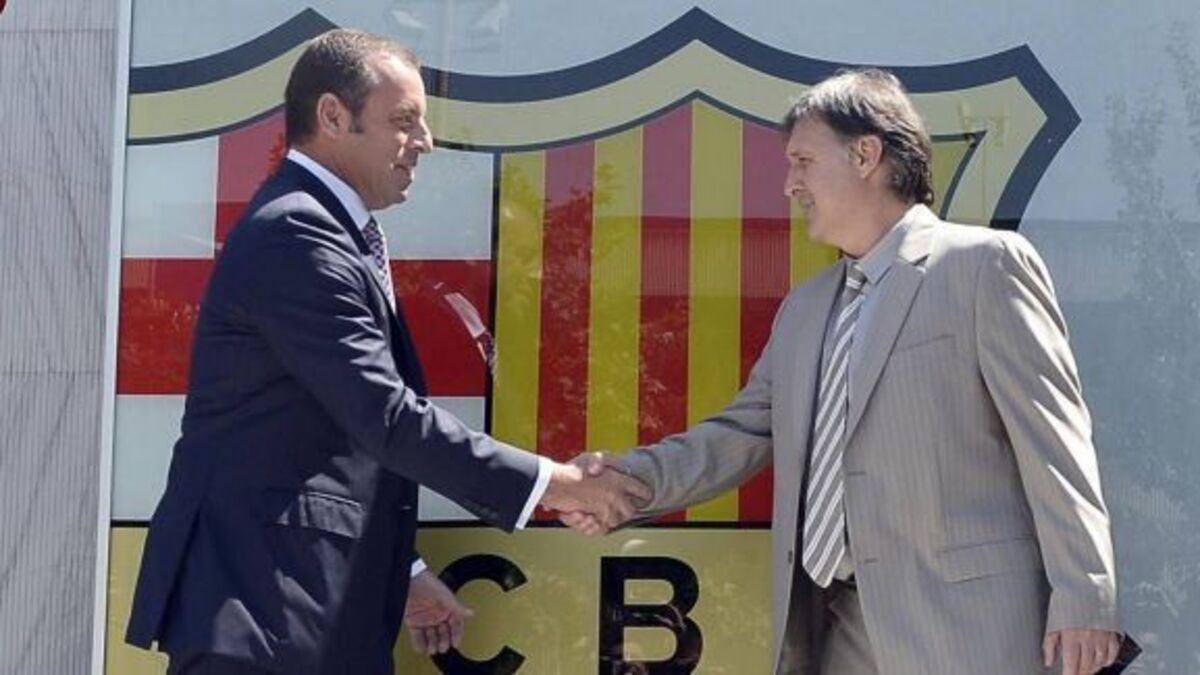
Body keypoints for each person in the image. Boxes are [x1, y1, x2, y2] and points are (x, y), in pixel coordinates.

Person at [125, 29, 649, 675]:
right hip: (262, 614)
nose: (424, 141)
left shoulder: (323, 228)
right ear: (332, 115)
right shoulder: (297, 232)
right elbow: (386, 416)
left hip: (294, 610)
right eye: (404, 121)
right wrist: (557, 485)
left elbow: (327, 439)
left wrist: (405, 570)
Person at [565, 69, 1121, 674]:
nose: (790, 185)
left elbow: (1054, 443)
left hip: (968, 631)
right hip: (839, 631)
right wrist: (627, 480)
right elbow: (738, 434)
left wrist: (1086, 592)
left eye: (802, 161)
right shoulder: (805, 308)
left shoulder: (984, 265)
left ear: (865, 155)